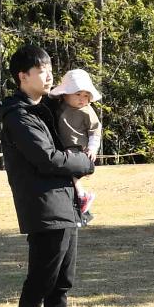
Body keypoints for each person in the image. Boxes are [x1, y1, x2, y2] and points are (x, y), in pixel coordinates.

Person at [0, 44, 94, 307]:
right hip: (45, 209)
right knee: (38, 287)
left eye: (50, 69)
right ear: (23, 76)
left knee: (61, 286)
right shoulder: (18, 114)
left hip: (65, 207)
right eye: (42, 70)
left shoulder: (46, 109)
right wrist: (84, 162)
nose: (49, 75)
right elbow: (47, 158)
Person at [52, 68, 105, 223]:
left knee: (70, 173)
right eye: (78, 94)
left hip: (78, 149)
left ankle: (83, 196)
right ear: (65, 93)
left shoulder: (88, 111)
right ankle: (79, 200)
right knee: (66, 176)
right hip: (61, 148)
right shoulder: (59, 106)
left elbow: (95, 131)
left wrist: (93, 148)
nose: (82, 99)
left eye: (86, 95)